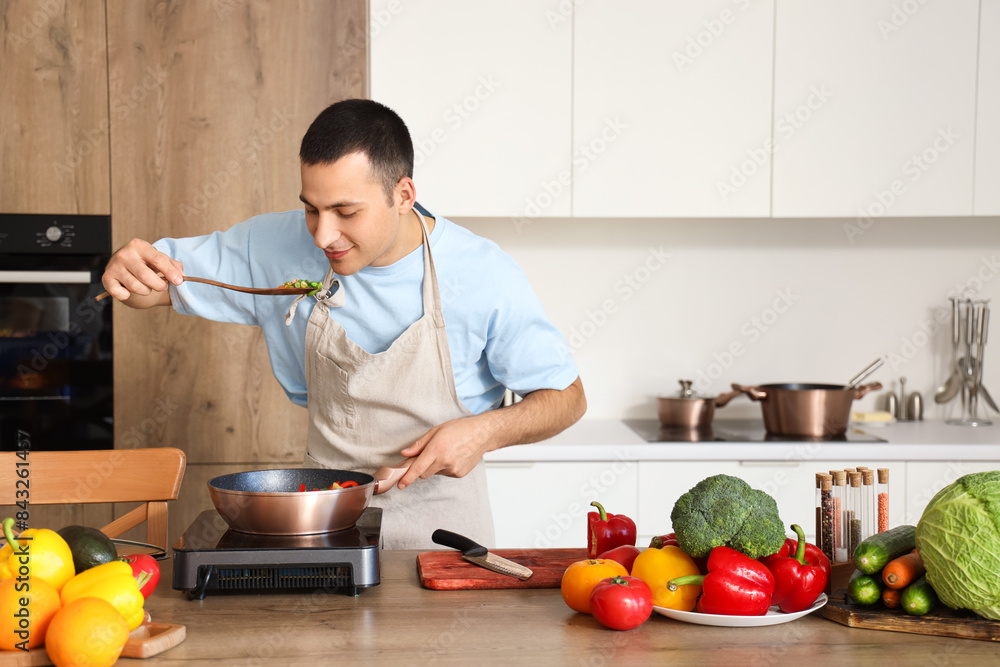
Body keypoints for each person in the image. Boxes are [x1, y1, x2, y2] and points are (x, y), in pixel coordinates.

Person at [102, 99, 585, 548]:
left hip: (444, 536)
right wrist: (130, 276)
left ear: (403, 194)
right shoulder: (271, 245)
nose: (323, 235)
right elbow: (156, 289)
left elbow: (566, 399)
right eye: (311, 209)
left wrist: (483, 433)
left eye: (346, 212)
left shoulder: (482, 274)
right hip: (324, 523)